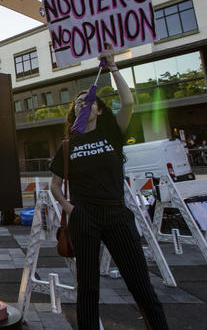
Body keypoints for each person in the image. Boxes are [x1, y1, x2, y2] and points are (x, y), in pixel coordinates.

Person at [49, 45, 169, 330]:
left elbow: (128, 104)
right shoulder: (68, 146)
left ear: (99, 110)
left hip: (116, 215)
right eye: (77, 103)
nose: (82, 104)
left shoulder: (112, 134)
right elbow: (54, 186)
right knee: (88, 289)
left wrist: (114, 68)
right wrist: (70, 209)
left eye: (87, 101)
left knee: (140, 284)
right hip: (84, 218)